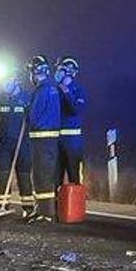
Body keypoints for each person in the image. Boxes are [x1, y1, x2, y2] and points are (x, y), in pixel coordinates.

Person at [0, 68, 35, 218]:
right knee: (3, 176)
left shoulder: (27, 98)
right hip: (3, 146)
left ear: (16, 81)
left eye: (7, 81)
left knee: (24, 177)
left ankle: (28, 209)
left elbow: (34, 119)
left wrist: (29, 115)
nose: (4, 84)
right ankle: (1, 207)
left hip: (23, 144)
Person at [26, 55, 62, 224]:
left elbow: (34, 116)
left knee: (42, 176)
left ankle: (45, 214)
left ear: (36, 72)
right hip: (50, 139)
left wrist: (27, 113)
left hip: (41, 139)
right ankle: (40, 210)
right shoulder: (53, 88)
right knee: (45, 175)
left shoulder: (41, 90)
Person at [55, 56, 87, 185]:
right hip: (57, 141)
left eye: (60, 69)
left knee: (74, 178)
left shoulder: (79, 90)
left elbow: (76, 110)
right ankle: (56, 198)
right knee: (55, 179)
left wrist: (66, 92)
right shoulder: (54, 90)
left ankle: (75, 199)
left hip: (73, 143)